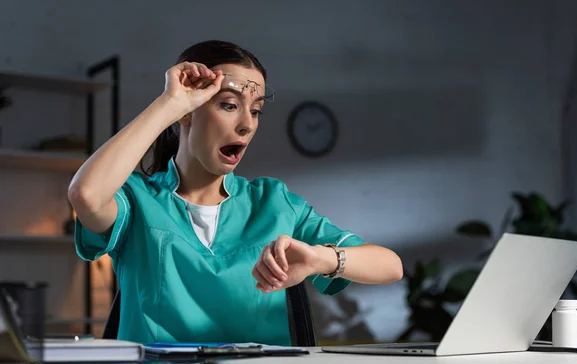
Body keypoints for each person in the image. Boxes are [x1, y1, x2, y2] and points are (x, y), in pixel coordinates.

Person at [68, 40, 403, 346]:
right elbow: (86, 195)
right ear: (187, 112)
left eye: (255, 110)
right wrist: (170, 103)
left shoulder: (273, 202)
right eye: (229, 105)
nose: (247, 124)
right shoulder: (137, 201)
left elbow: (390, 266)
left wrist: (322, 258)